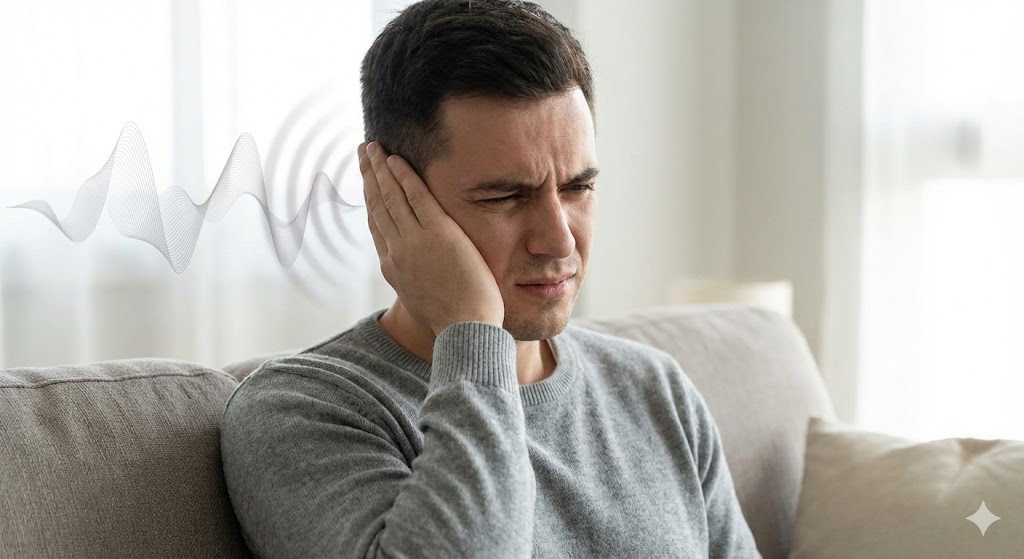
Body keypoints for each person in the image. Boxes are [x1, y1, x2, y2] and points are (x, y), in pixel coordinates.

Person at [220, 1, 761, 557]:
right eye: (506, 196)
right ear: (393, 201)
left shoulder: (655, 389)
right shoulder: (301, 409)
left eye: (578, 188)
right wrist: (474, 330)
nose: (559, 241)